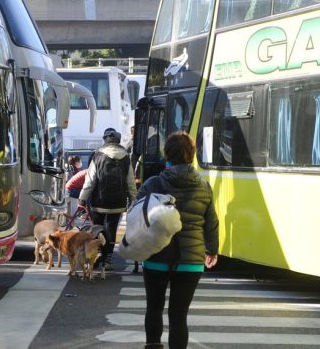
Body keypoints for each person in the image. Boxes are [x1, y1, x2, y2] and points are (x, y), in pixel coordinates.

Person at [136, 131, 219, 349]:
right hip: (190, 261)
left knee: (154, 308)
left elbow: (135, 212)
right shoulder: (204, 186)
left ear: (167, 154)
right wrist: (212, 250)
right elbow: (211, 223)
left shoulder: (154, 183)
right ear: (192, 154)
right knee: (179, 316)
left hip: (156, 255)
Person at [79, 128, 137, 270]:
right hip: (118, 201)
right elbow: (130, 182)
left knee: (97, 228)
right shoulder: (125, 157)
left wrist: (82, 199)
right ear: (118, 141)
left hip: (99, 200)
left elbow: (90, 181)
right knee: (111, 228)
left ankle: (97, 253)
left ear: (105, 140)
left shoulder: (97, 156)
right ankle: (108, 259)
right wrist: (133, 199)